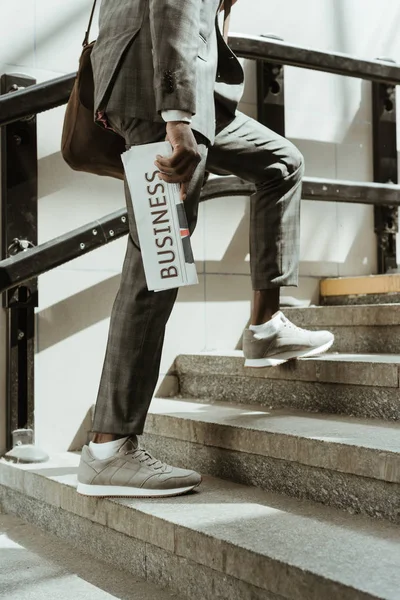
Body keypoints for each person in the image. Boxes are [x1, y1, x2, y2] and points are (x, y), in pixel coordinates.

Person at [77, 0, 334, 498]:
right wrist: (176, 117)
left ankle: (264, 327)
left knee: (282, 163)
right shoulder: (170, 106)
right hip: (161, 91)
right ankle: (109, 447)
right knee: (158, 260)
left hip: (190, 93)